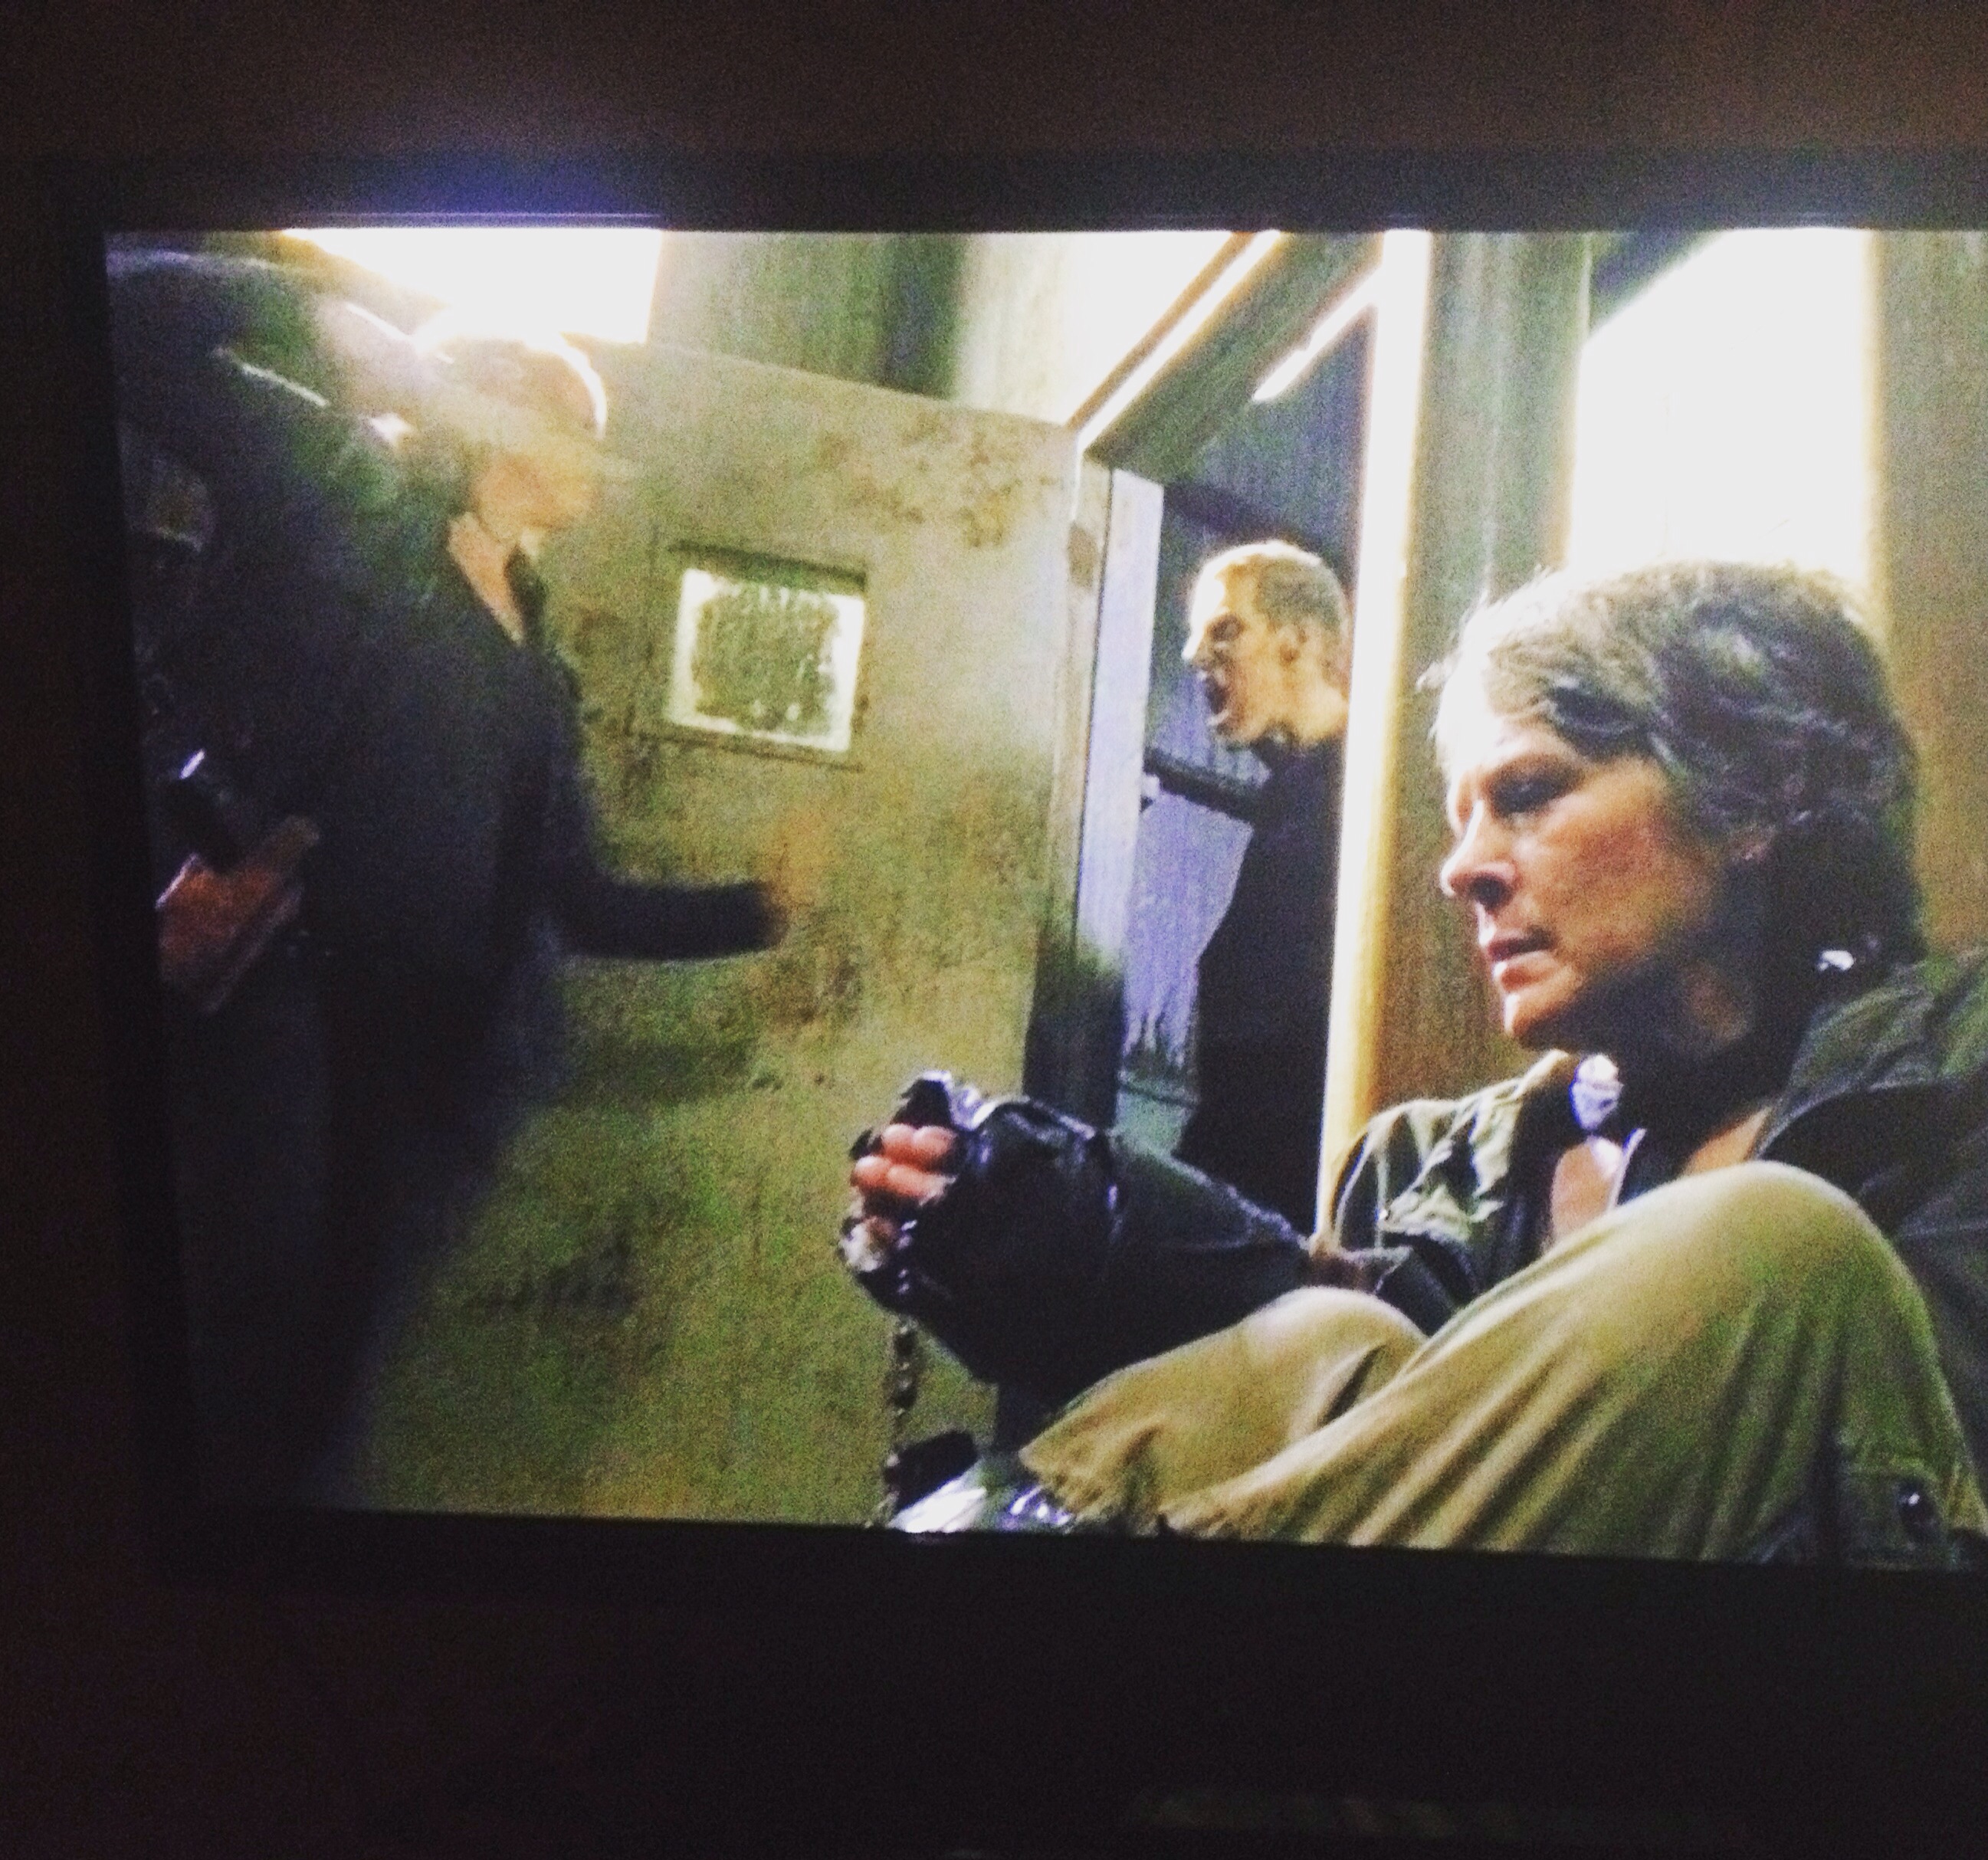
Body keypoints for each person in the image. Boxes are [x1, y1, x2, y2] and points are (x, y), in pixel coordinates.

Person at [847, 562, 1988, 1563]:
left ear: (1756, 796)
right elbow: (1416, 1460)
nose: (1461, 869)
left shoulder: (1961, 1076)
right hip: (1447, 1712)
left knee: (1771, 1239)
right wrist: (1102, 1250)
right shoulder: (1436, 1165)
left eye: (1527, 795)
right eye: (1460, 817)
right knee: (1327, 1339)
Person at [112, 247, 787, 1500]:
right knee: (231, 1329)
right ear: (495, 416)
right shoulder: (334, 483)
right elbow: (121, 318)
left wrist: (757, 910)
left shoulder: (536, 658)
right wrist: (326, 323)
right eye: (575, 422)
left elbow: (572, 894)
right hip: (266, 987)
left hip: (421, 1060)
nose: (595, 455)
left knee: (319, 1382)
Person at [1170, 542, 1349, 1230]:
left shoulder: (1365, 807)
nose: (1195, 656)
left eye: (1224, 630)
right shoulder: (1292, 800)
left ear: (1297, 640)